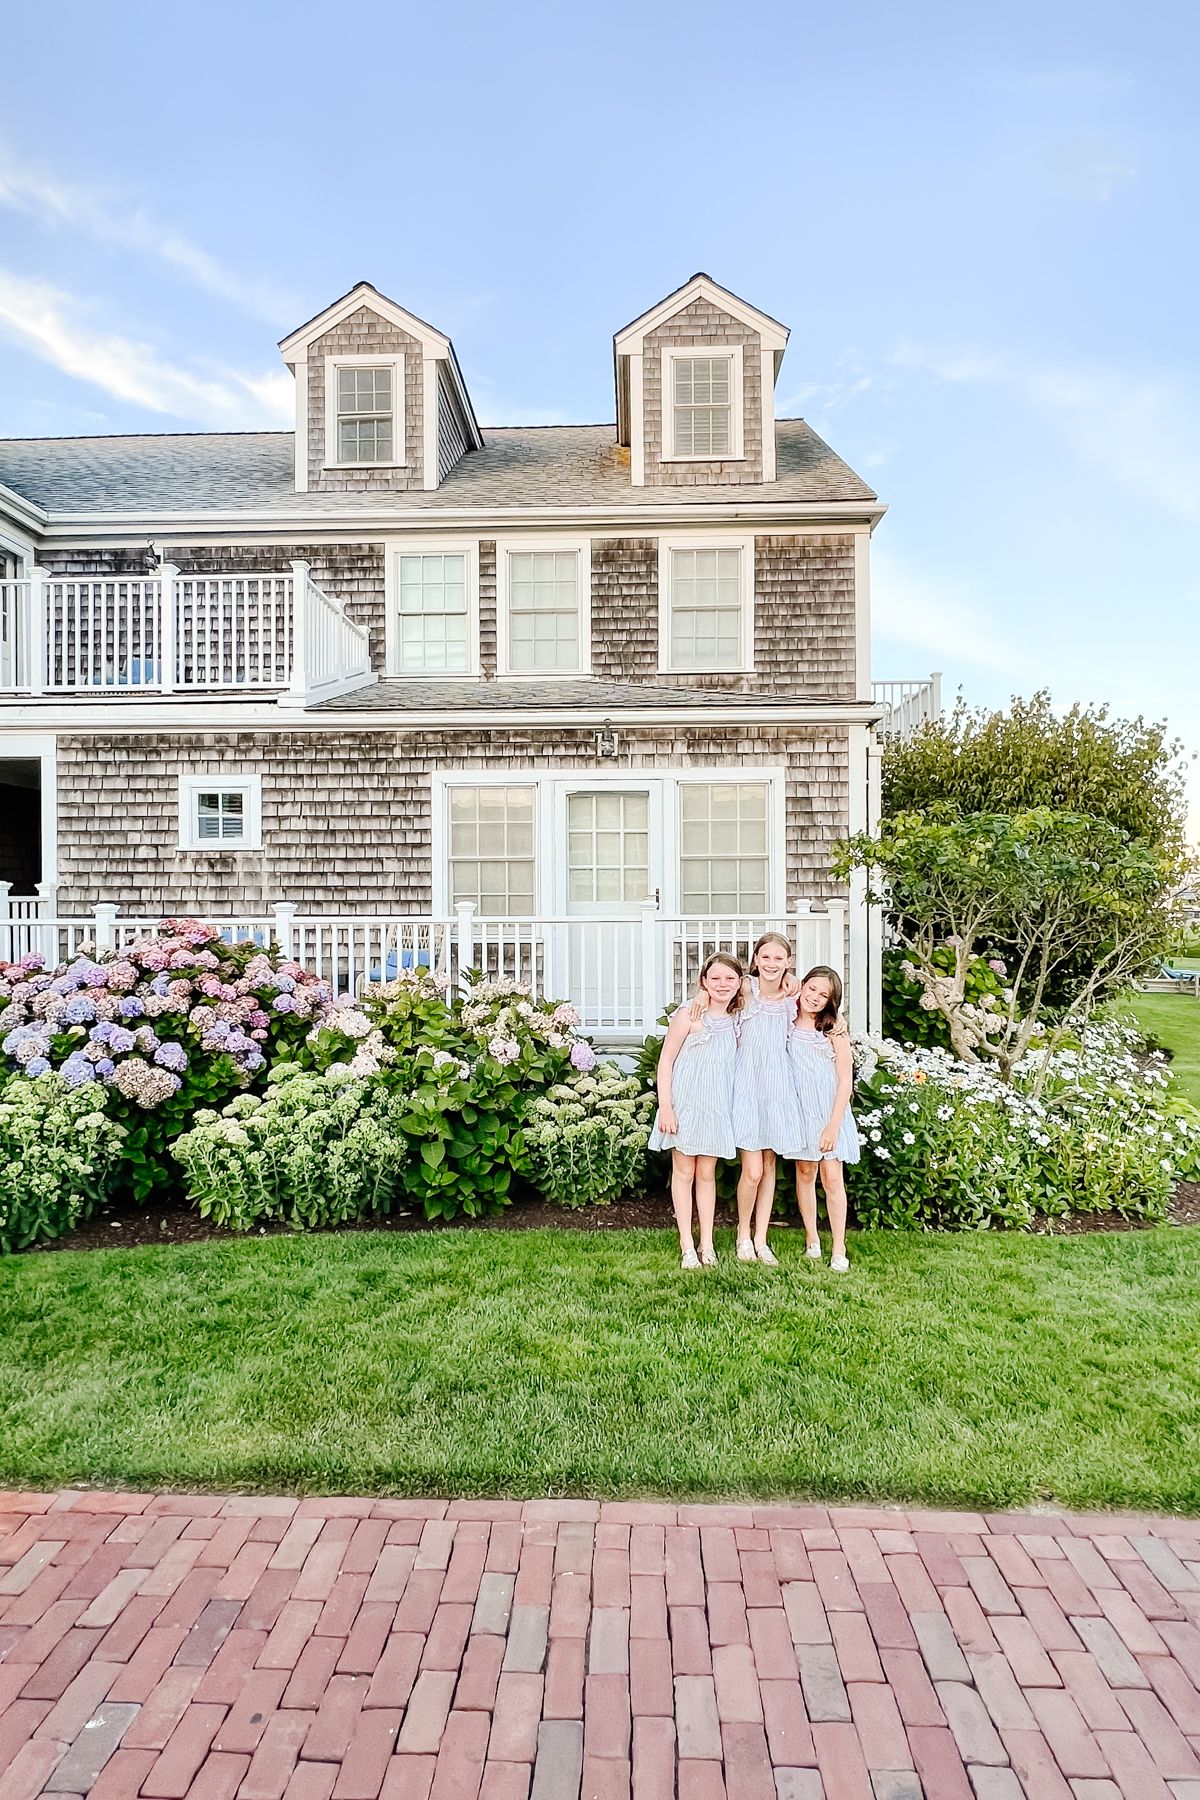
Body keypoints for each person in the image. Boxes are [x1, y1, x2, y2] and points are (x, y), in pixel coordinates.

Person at [649, 953, 743, 1269]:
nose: (722, 984)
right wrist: (666, 1107)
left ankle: (707, 1243)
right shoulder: (688, 1015)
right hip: (685, 1105)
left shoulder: (738, 1019)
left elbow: (772, 989)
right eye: (714, 978)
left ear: (740, 983)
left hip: (716, 1107)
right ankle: (687, 1245)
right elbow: (666, 1062)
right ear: (703, 981)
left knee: (706, 1174)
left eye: (730, 978)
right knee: (684, 1171)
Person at [729, 933, 806, 1266]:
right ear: (756, 959)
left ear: (788, 962)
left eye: (779, 959)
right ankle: (742, 1235)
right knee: (753, 1169)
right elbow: (709, 991)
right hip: (747, 1083)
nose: (772, 964)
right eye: (766, 957)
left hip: (778, 1085)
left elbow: (825, 1006)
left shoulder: (794, 996)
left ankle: (761, 1239)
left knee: (770, 1164)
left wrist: (841, 1023)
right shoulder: (745, 989)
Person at [788, 964, 860, 1271]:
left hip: (830, 1111)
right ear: (802, 986)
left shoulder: (833, 1029)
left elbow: (845, 1079)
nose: (815, 997)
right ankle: (812, 1240)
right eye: (812, 988)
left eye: (824, 994)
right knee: (805, 1173)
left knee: (832, 1177)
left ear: (832, 1001)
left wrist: (833, 1125)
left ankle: (839, 1249)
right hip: (800, 1109)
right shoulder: (786, 1019)